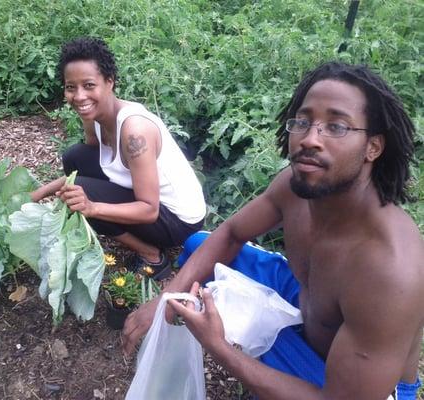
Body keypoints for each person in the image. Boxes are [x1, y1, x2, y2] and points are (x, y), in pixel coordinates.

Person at [122, 62, 423, 399]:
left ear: (373, 147)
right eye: (303, 121)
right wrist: (167, 296)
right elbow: (232, 233)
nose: (310, 139)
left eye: (336, 126)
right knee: (198, 245)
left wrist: (218, 346)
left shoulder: (390, 270)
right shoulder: (296, 188)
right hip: (308, 309)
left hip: (354, 385)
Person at [31, 37, 206, 279]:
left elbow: (149, 210)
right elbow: (88, 158)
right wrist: (38, 194)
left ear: (110, 82)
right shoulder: (96, 114)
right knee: (75, 157)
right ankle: (98, 211)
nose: (79, 96)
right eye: (71, 87)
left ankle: (152, 256)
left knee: (83, 192)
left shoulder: (135, 131)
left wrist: (92, 207)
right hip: (151, 202)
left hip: (178, 221)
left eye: (89, 85)